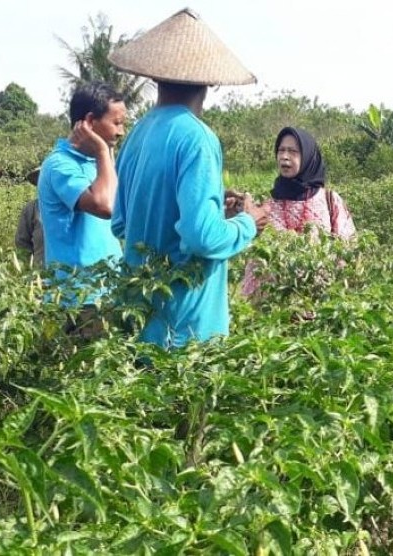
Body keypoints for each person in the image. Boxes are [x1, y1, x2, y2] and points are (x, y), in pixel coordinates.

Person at [108, 8, 269, 349]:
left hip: (137, 317)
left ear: (156, 78)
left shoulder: (137, 134)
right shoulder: (198, 138)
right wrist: (247, 222)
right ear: (209, 81)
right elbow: (202, 239)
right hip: (185, 332)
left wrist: (211, 212)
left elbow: (122, 224)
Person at [37, 81, 126, 315]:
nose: (121, 131)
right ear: (89, 122)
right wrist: (101, 151)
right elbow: (104, 205)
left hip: (111, 291)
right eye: (116, 123)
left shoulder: (102, 162)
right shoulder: (59, 165)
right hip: (78, 301)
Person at [239, 126, 355, 297]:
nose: (285, 157)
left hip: (323, 310)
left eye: (293, 151)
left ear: (308, 157)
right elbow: (255, 260)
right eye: (281, 150)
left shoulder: (330, 200)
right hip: (275, 311)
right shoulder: (267, 204)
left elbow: (348, 251)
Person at [14, 167, 44, 267]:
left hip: (76, 275)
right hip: (41, 274)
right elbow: (22, 243)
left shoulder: (77, 204)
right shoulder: (32, 208)